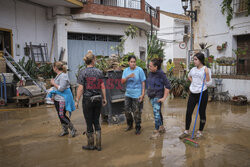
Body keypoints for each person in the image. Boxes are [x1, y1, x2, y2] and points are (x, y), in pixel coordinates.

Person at [75, 51, 107, 151]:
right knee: (96, 121)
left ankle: (91, 145)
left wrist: (76, 100)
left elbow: (80, 88)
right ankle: (99, 145)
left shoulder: (83, 73)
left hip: (88, 100)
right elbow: (102, 86)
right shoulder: (99, 72)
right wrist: (104, 98)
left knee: (89, 122)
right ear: (93, 60)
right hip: (98, 99)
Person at [179, 52, 212, 139]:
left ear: (200, 60)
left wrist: (207, 74)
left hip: (202, 93)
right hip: (193, 93)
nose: (194, 61)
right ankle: (186, 131)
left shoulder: (206, 69)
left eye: (195, 59)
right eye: (194, 59)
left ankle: (200, 131)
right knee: (188, 112)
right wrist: (193, 82)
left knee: (202, 113)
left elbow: (209, 83)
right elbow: (189, 76)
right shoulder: (193, 69)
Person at [50, 61, 77, 137]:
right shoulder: (58, 76)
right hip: (57, 98)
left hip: (62, 99)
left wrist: (53, 83)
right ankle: (65, 130)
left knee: (62, 115)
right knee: (60, 115)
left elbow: (61, 88)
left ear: (55, 68)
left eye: (53, 67)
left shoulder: (63, 76)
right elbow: (56, 88)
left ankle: (72, 128)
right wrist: (53, 96)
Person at [121, 55, 146, 135]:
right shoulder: (125, 70)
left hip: (137, 94)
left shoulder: (140, 70)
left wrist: (142, 94)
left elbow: (143, 82)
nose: (133, 63)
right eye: (131, 62)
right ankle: (130, 124)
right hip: (128, 94)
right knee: (126, 111)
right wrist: (128, 76)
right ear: (128, 63)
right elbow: (122, 81)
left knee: (136, 112)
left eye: (134, 62)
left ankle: (138, 127)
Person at [148, 58, 171, 139]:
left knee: (156, 113)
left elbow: (168, 86)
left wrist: (164, 98)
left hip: (158, 96)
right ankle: (161, 127)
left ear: (156, 67)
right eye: (149, 66)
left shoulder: (161, 74)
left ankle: (156, 131)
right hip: (151, 96)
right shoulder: (150, 73)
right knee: (158, 112)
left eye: (150, 66)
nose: (149, 67)